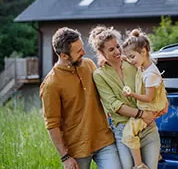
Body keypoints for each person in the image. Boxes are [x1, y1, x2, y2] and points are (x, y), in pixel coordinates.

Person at [40, 27, 121, 169]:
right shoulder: (51, 84)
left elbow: (106, 93)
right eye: (78, 51)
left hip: (103, 139)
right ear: (64, 55)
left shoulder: (89, 64)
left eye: (82, 48)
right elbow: (52, 125)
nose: (84, 52)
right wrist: (65, 157)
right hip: (77, 149)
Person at [89, 25, 167, 169]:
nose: (117, 51)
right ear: (101, 52)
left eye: (117, 46)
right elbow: (115, 105)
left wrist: (164, 101)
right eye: (111, 50)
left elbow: (153, 79)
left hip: (147, 127)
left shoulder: (132, 62)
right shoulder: (99, 75)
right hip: (124, 130)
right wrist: (142, 114)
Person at [120, 28, 168, 169]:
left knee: (128, 134)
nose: (130, 60)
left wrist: (131, 95)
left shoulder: (150, 74)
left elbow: (148, 97)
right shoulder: (144, 66)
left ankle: (139, 165)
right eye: (128, 57)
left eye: (132, 57)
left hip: (149, 107)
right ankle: (154, 153)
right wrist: (126, 58)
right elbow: (135, 62)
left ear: (144, 52)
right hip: (151, 107)